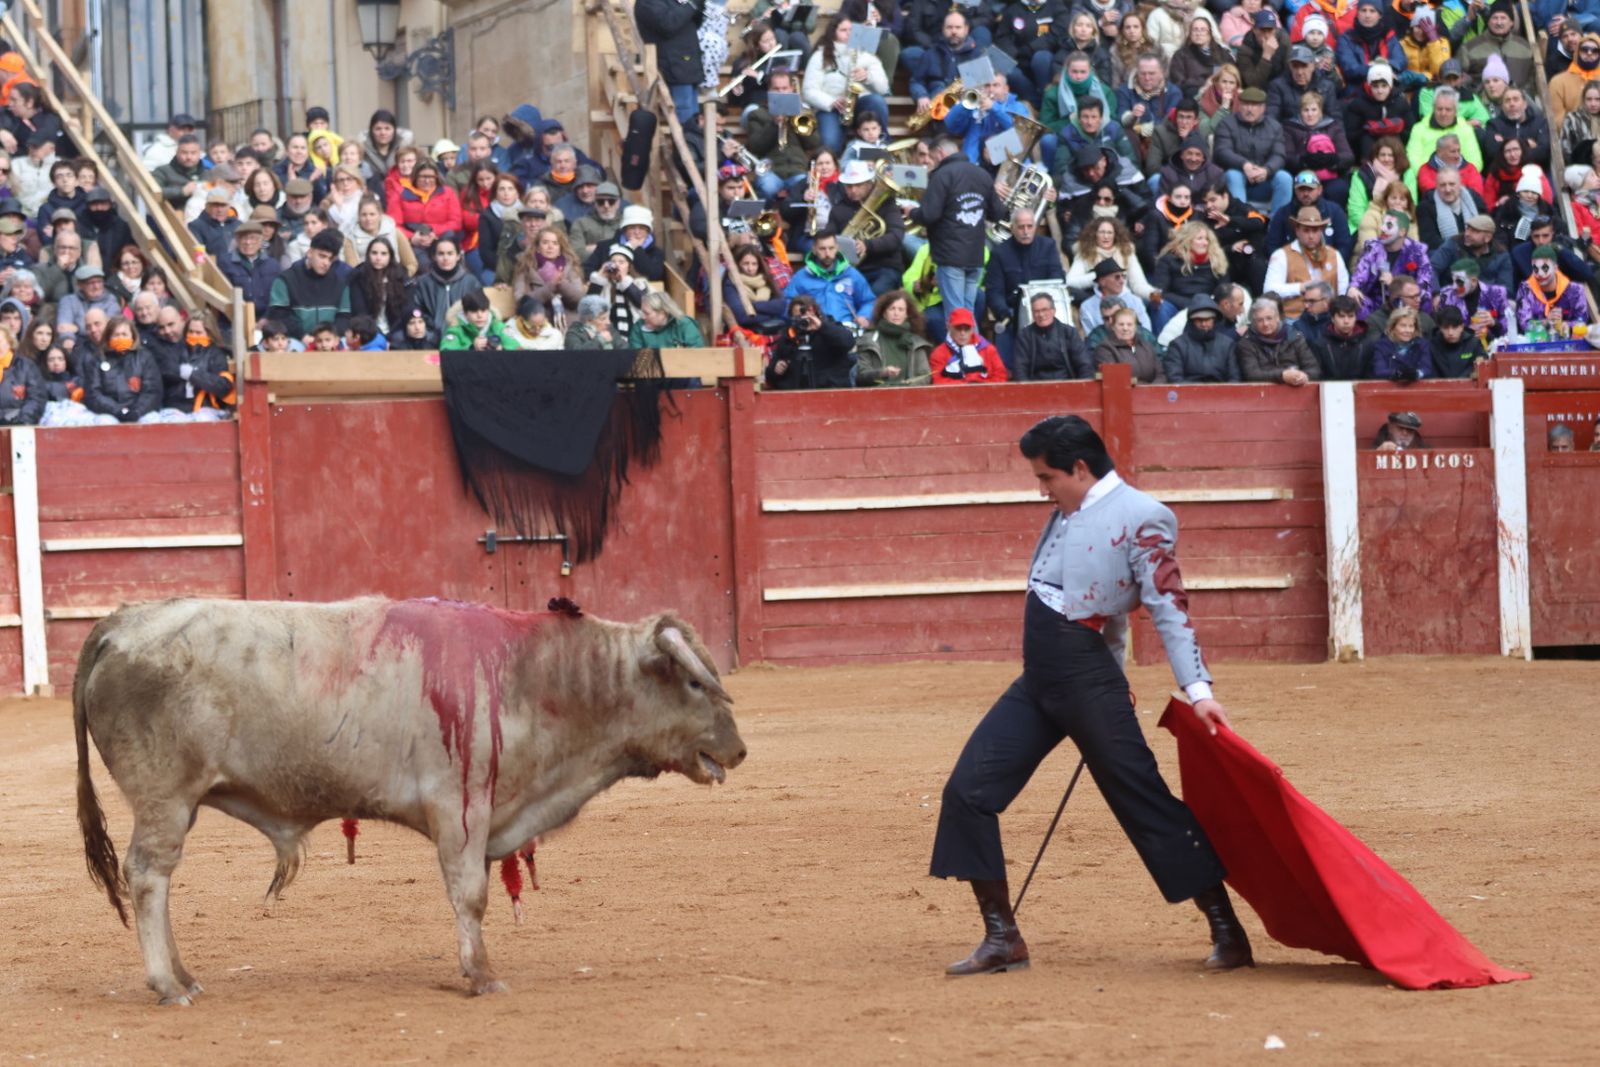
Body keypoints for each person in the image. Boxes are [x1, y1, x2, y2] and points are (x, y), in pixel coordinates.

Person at [930, 414, 1252, 977]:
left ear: (1080, 468)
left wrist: (1196, 689)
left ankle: (1227, 930)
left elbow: (1166, 605)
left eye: (1048, 477)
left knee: (1142, 801)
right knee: (967, 792)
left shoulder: (1143, 516)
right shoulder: (1065, 509)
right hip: (1040, 681)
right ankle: (1002, 937)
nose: (1042, 488)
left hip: (1086, 680)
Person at [907, 138, 1005, 315]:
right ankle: (970, 343)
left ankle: (963, 343)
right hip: (975, 256)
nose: (931, 162)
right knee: (967, 315)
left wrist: (911, 212)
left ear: (940, 154)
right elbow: (998, 213)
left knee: (956, 316)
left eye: (932, 157)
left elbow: (929, 215)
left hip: (950, 256)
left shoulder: (941, 175)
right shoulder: (982, 174)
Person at [986, 208, 1063, 368]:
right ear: (1012, 228)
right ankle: (1007, 374)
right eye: (1021, 227)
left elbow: (1058, 279)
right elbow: (994, 292)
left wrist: (1044, 309)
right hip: (1012, 313)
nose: (1026, 231)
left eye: (1029, 226)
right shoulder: (1000, 253)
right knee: (1004, 331)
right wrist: (1005, 313)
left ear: (1035, 227)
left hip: (1045, 310)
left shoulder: (1048, 246)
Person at [1263, 204, 1350, 324]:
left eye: (1315, 231)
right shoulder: (1281, 255)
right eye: (1306, 230)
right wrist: (1300, 287)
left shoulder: (1334, 254)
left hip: (1328, 318)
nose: (1311, 236)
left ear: (1321, 231)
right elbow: (1269, 290)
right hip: (1293, 318)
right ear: (1297, 231)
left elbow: (1342, 288)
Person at [1213, 87, 1291, 213]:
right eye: (1245, 104)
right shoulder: (1226, 124)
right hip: (1237, 176)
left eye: (1254, 105)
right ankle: (1242, 221)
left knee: (1285, 178)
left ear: (1263, 108)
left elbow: (1279, 155)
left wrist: (1266, 170)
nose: (1249, 109)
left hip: (1264, 177)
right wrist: (1244, 165)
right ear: (1239, 106)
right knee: (1233, 175)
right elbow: (1222, 151)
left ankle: (1277, 225)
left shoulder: (1275, 126)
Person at [266, 229, 350, 342]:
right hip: (294, 339)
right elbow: (279, 314)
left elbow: (344, 317)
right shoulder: (286, 280)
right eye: (322, 256)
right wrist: (302, 336)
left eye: (330, 259)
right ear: (309, 253)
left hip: (331, 340)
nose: (326, 262)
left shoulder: (340, 283)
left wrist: (331, 337)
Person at [782, 229, 875, 329]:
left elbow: (868, 301)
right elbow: (788, 303)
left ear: (837, 248)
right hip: (814, 330)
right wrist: (801, 317)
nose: (827, 253)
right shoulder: (801, 277)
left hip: (846, 330)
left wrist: (863, 316)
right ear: (814, 249)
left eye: (831, 248)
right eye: (822, 249)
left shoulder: (851, 274)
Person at [1349, 210, 1435, 315]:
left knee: (1424, 301)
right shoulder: (1373, 247)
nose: (1382, 228)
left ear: (1402, 232)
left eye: (1389, 225)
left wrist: (1394, 284)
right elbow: (1360, 274)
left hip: (1406, 301)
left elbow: (1425, 285)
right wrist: (1353, 287)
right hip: (1375, 304)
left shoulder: (1417, 252)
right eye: (1383, 224)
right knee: (1355, 299)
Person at [766, 294, 857, 389]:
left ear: (816, 313)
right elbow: (770, 373)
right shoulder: (788, 337)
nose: (803, 320)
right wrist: (776, 370)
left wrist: (822, 327)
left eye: (805, 316)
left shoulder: (830, 328)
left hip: (828, 391)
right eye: (797, 317)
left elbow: (848, 342)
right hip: (796, 394)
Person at [81, 317, 160, 422]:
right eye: (116, 335)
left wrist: (137, 411)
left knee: (151, 420)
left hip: (139, 411)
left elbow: (152, 391)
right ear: (108, 337)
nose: (120, 338)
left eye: (124, 334)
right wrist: (118, 411)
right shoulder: (98, 359)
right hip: (109, 413)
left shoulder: (144, 357)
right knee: (104, 422)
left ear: (132, 336)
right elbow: (93, 393)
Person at [855, 290, 933, 386]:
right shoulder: (869, 340)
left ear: (906, 314)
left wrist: (905, 387)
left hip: (909, 397)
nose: (896, 313)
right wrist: (882, 373)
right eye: (892, 309)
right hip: (877, 396)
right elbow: (861, 377)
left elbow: (925, 376)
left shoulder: (916, 343)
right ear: (884, 313)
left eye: (901, 310)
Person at [1235, 297, 1320, 386]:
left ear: (1278, 317)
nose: (1265, 324)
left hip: (1296, 391)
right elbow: (1252, 375)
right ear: (1254, 322)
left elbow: (1314, 369)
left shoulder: (1295, 337)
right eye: (1260, 320)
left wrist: (1304, 376)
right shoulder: (1246, 343)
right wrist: (1282, 375)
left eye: (1269, 318)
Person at [1013, 291, 1092, 381]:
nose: (1041, 315)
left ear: (1053, 311)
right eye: (1036, 311)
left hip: (1067, 385)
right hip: (1035, 388)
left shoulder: (1069, 332)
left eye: (1044, 310)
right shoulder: (1024, 336)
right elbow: (1020, 368)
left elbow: (1084, 363)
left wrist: (1082, 388)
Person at [409, 237, 481, 336]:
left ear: (458, 256)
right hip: (431, 337)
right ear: (434, 256)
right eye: (441, 254)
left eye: (450, 253)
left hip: (463, 337)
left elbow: (480, 311)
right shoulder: (423, 282)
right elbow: (416, 311)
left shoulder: (471, 282)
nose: (445, 258)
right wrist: (431, 330)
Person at [1162, 295, 1239, 382]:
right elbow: (1175, 379)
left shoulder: (1228, 345)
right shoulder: (1177, 346)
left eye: (1208, 319)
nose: (1204, 324)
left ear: (1214, 320)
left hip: (1222, 394)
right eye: (1199, 320)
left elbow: (1234, 378)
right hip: (1188, 394)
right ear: (1192, 321)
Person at [1516, 245, 1591, 331]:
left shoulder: (1575, 290)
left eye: (1545, 268)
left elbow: (1582, 321)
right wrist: (1546, 322)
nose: (1539, 273)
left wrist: (1567, 325)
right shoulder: (1526, 289)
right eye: (1535, 269)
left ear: (1555, 268)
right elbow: (1524, 324)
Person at [929, 306, 1008, 384]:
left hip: (985, 395)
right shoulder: (938, 354)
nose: (963, 333)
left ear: (973, 329)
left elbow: (1001, 376)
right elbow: (938, 381)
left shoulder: (988, 349)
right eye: (958, 328)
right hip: (954, 396)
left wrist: (980, 387)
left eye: (967, 328)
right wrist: (967, 387)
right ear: (949, 327)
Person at [1093, 305, 1167, 383]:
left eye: (1129, 324)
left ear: (1135, 327)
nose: (1125, 328)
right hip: (1124, 393)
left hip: (1152, 392)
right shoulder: (1105, 349)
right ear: (1113, 327)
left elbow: (1161, 374)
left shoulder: (1147, 346)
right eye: (1121, 324)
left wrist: (1152, 390)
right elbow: (1113, 379)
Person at [1311, 295, 1375, 380]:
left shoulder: (1367, 343)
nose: (1346, 321)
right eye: (1341, 316)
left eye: (1351, 316)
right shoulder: (1320, 344)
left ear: (1356, 318)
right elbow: (1316, 376)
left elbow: (1371, 376)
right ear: (1333, 318)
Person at [441, 289, 522, 351]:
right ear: (465, 314)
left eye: (483, 310)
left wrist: (502, 350)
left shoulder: (499, 327)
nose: (479, 316)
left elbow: (517, 349)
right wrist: (471, 348)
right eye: (474, 311)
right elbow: (446, 352)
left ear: (488, 311)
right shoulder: (456, 330)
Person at [1369, 307, 1432, 381]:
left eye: (1411, 326)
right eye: (1403, 325)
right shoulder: (1381, 345)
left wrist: (1416, 374)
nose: (1408, 330)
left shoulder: (1422, 345)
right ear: (1393, 327)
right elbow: (1379, 371)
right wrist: (1398, 374)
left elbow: (1427, 368)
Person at [0, 324, 45, 424]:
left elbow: (36, 398)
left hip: (18, 424)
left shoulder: (26, 366)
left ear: (9, 343)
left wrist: (22, 421)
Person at [630, 290, 704, 348]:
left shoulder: (684, 325)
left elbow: (697, 355)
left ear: (662, 313)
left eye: (647, 313)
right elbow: (634, 358)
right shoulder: (638, 327)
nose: (643, 317)